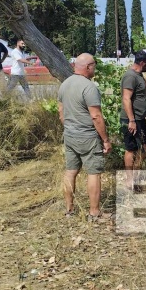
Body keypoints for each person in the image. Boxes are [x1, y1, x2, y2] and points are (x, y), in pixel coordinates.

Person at [58, 53, 113, 221]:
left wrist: (69, 127)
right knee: (94, 173)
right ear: (88, 67)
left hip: (70, 134)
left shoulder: (65, 84)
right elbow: (96, 116)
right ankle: (94, 213)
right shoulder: (89, 87)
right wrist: (105, 139)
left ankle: (69, 210)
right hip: (87, 136)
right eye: (94, 66)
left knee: (70, 172)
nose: (94, 69)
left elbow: (61, 112)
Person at [120, 49, 146, 190]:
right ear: (142, 63)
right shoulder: (130, 76)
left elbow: (143, 82)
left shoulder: (139, 75)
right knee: (131, 149)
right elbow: (126, 98)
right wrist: (131, 120)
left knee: (145, 146)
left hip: (140, 118)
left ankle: (136, 174)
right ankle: (130, 180)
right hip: (131, 119)